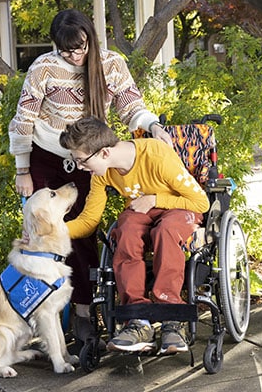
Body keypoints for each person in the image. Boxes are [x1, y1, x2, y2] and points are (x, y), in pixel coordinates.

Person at [8, 8, 173, 345]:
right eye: (67, 50)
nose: (75, 55)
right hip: (47, 159)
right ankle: (50, 321)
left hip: (88, 160)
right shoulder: (44, 68)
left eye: (81, 47)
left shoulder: (111, 64)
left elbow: (131, 105)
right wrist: (22, 169)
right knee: (42, 238)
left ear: (90, 38)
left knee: (83, 237)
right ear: (56, 46)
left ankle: (85, 313)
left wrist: (152, 125)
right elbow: (24, 119)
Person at [59, 117, 210, 354]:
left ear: (105, 153)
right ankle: (138, 321)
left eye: (81, 161)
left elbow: (200, 202)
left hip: (180, 208)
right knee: (126, 230)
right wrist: (50, 232)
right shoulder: (102, 173)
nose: (79, 167)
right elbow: (89, 221)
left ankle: (172, 320)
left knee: (165, 230)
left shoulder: (156, 155)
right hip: (141, 211)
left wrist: (155, 199)